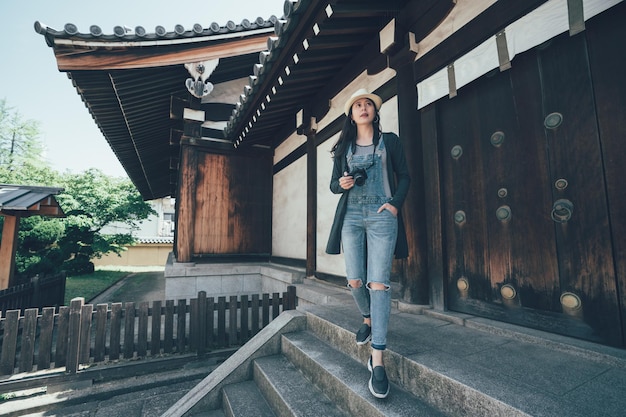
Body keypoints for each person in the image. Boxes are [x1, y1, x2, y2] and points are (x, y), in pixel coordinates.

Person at [326, 88, 410, 399]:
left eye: (368, 104)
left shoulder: (390, 141)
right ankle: (367, 318)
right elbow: (334, 184)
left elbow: (405, 176)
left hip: (381, 215)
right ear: (351, 114)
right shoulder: (344, 147)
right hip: (351, 216)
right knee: (354, 280)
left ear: (374, 112)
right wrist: (343, 183)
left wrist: (395, 204)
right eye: (357, 105)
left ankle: (377, 361)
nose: (363, 108)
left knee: (379, 284)